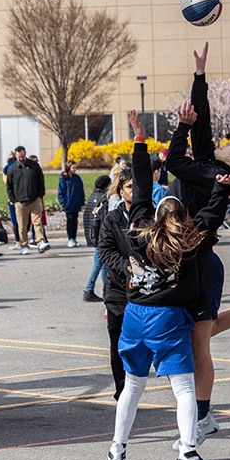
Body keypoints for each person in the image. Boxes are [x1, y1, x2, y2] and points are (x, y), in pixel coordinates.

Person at [106, 110, 230, 460]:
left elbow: (143, 186)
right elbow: (212, 213)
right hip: (167, 319)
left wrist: (140, 138)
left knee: (132, 387)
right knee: (183, 391)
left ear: (155, 215)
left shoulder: (138, 231)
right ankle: (188, 452)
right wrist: (222, 186)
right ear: (182, 218)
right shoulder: (190, 239)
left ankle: (117, 451)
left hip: (134, 316)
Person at [165, 42, 230, 448]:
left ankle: (203, 417)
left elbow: (174, 161)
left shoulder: (216, 177)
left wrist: (182, 127)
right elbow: (202, 122)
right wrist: (199, 76)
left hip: (201, 264)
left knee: (199, 341)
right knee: (196, 335)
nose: (223, 143)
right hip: (187, 262)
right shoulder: (214, 164)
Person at [98, 169, 132, 396]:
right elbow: (106, 252)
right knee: (118, 345)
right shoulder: (112, 220)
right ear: (120, 191)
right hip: (118, 293)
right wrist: (128, 268)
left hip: (145, 293)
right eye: (130, 186)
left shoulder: (149, 217)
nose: (135, 190)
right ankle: (122, 391)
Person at [6, 146, 50, 255]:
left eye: (23, 156)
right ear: (16, 155)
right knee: (22, 226)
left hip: (35, 199)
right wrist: (14, 200)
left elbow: (41, 180)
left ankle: (41, 243)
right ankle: (24, 245)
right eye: (19, 157)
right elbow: (9, 187)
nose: (21, 158)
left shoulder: (34, 166)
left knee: (37, 222)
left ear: (25, 153)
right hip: (20, 202)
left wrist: (40, 195)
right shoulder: (12, 169)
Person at [83, 175, 111, 302]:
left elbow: (86, 218)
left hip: (94, 236)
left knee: (103, 264)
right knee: (98, 263)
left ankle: (106, 290)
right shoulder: (103, 198)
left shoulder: (93, 196)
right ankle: (89, 289)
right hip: (100, 236)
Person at [58, 160, 85, 248]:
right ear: (68, 167)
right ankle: (70, 238)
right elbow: (60, 191)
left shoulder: (77, 178)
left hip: (76, 204)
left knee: (75, 222)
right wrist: (63, 203)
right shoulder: (63, 178)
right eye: (73, 167)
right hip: (68, 205)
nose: (75, 169)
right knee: (70, 221)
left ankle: (74, 238)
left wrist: (82, 201)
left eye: (75, 168)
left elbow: (81, 190)